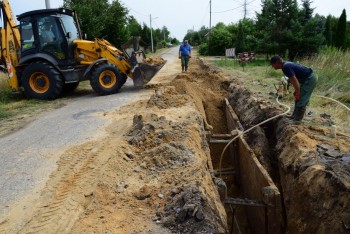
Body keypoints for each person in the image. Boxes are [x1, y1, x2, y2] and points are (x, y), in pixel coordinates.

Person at [270, 55, 317, 123]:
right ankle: (294, 116)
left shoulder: (286, 67)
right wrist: (296, 91)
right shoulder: (285, 65)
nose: (273, 67)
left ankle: (297, 120)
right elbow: (294, 80)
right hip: (306, 79)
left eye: (273, 65)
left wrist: (298, 92)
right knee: (297, 98)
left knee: (301, 99)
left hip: (310, 79)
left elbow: (295, 81)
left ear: (277, 63)